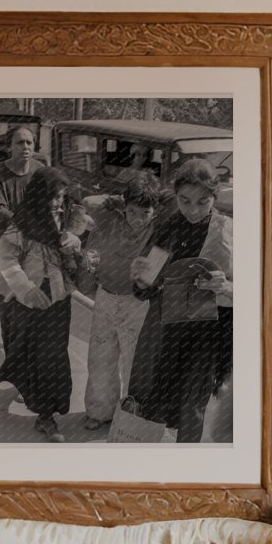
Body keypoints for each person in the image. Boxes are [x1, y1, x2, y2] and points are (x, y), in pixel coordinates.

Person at [127, 158, 233, 443]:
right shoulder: (169, 227)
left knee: (192, 404)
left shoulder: (226, 231)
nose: (193, 210)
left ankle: (187, 464)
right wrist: (139, 275)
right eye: (185, 201)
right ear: (175, 196)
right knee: (153, 395)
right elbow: (145, 288)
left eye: (203, 201)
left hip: (206, 333)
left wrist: (226, 286)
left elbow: (256, 290)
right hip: (164, 329)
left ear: (215, 196)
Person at [0, 167, 83, 442]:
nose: (58, 202)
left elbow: (81, 236)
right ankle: (44, 414)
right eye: (53, 196)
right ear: (38, 196)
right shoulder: (21, 223)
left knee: (53, 355)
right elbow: (7, 259)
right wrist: (27, 290)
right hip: (29, 298)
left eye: (61, 196)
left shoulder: (64, 217)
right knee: (31, 354)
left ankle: (48, 413)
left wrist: (74, 242)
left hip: (56, 297)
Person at [81, 172, 160, 429]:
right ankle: (99, 411)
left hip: (137, 303)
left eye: (145, 213)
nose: (138, 219)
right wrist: (119, 199)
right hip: (105, 297)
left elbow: (170, 201)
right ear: (124, 208)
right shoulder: (111, 218)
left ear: (154, 211)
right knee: (100, 358)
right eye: (132, 211)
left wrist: (148, 196)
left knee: (135, 362)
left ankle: (132, 419)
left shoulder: (159, 228)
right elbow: (89, 202)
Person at [0, 124, 45, 294]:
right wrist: (28, 224)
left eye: (29, 142)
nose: (25, 147)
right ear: (9, 147)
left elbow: (47, 204)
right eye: (19, 142)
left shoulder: (39, 170)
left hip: (31, 247)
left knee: (28, 300)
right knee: (5, 298)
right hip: (5, 243)